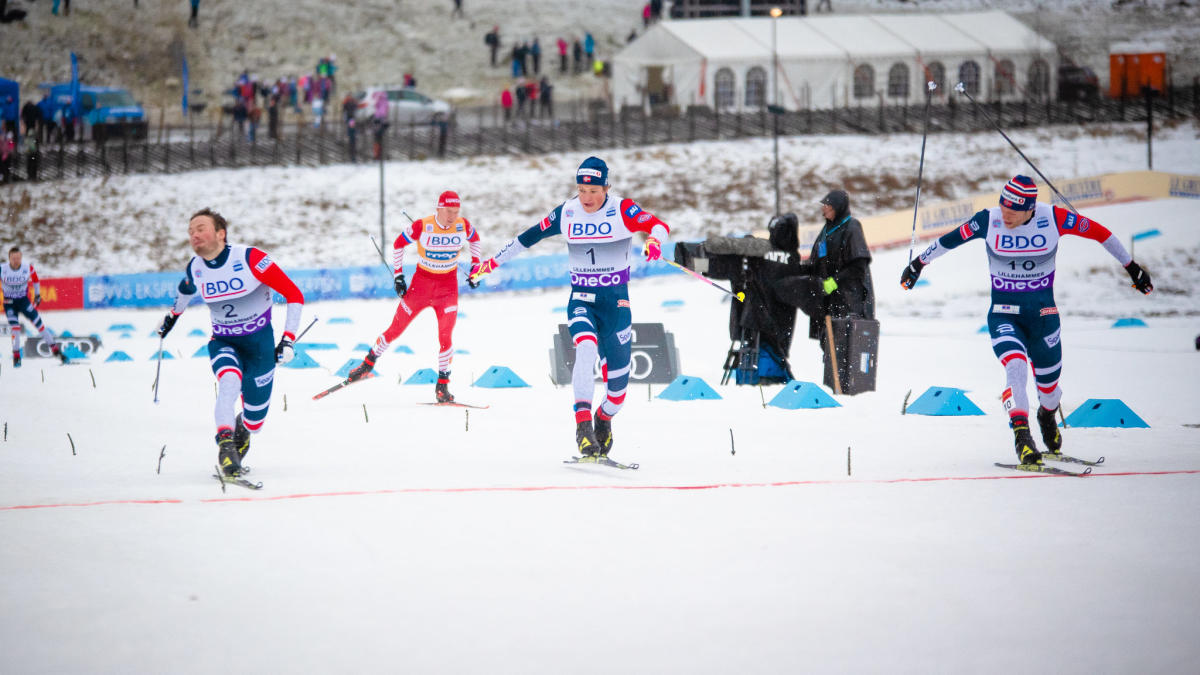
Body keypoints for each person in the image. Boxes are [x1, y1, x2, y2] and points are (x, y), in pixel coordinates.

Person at [900, 175, 1154, 466]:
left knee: (1049, 390)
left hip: (1044, 317)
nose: (1005, 214)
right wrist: (918, 264)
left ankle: (1046, 415)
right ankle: (1022, 436)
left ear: (1030, 209)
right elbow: (950, 240)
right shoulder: (988, 220)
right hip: (1004, 314)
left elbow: (1101, 233)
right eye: (1002, 207)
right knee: (1016, 366)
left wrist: (1132, 268)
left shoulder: (1055, 218)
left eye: (1013, 211)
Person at [471, 157, 670, 460]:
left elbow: (659, 225)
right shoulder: (567, 211)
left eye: (593, 191)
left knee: (617, 392)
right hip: (581, 299)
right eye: (581, 190)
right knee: (586, 348)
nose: (586, 198)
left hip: (616, 304)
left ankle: (603, 419)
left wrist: (654, 239)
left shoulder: (623, 209)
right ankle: (582, 428)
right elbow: (527, 237)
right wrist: (490, 264)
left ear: (606, 187)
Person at [157, 208, 305, 477]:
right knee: (229, 382)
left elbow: (294, 294)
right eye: (190, 231)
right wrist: (173, 316)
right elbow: (186, 288)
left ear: (221, 234)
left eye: (200, 228)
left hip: (260, 348)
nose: (194, 235)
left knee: (255, 421)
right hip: (223, 341)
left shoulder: (251, 258)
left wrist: (288, 341)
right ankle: (225, 445)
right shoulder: (196, 267)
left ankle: (243, 428)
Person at [345, 191, 481, 403]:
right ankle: (367, 364)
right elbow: (398, 244)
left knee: (446, 338)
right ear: (438, 208)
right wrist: (398, 276)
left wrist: (476, 267)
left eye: (456, 212)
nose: (452, 216)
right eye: (448, 211)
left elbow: (475, 241)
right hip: (421, 287)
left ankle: (442, 387)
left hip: (447, 289)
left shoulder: (463, 225)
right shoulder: (423, 225)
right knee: (394, 330)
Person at [773, 190, 874, 385]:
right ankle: (834, 382)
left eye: (827, 205)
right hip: (828, 300)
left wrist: (834, 281)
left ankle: (848, 385)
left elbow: (858, 265)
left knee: (846, 346)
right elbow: (816, 263)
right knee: (829, 344)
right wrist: (794, 270)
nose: (824, 208)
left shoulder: (852, 227)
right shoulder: (826, 231)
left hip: (848, 300)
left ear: (838, 207)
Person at [2, 246, 70, 367]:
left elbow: (35, 280)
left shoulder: (27, 268)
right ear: (9, 259)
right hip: (9, 303)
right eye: (13, 258)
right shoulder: (3, 269)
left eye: (18, 258)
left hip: (23, 301)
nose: (16, 261)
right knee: (15, 328)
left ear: (21, 257)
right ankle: (16, 357)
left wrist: (37, 295)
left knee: (40, 326)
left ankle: (56, 351)